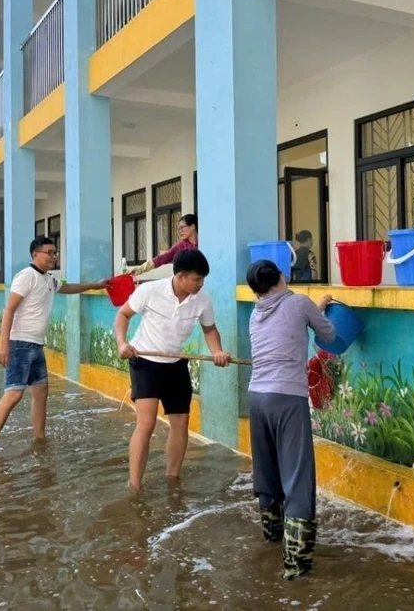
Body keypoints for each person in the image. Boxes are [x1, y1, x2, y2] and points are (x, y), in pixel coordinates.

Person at [245, 259, 336, 580]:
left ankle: (271, 541)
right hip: (287, 399)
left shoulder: (256, 313)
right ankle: (296, 570)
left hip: (257, 397)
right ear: (281, 276)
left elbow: (284, 315)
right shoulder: (298, 302)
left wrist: (310, 306)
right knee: (298, 478)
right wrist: (317, 309)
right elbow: (328, 334)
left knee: (267, 471)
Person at [114, 248, 231, 492]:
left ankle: (172, 480)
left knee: (181, 421)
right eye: (197, 279)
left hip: (176, 362)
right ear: (180, 277)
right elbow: (123, 315)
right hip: (145, 360)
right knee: (146, 423)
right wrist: (122, 343)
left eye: (202, 279)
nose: (201, 284)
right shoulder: (150, 291)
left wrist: (217, 351)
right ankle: (135, 485)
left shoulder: (202, 299)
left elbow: (209, 329)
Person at [0, 237, 108, 454]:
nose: (54, 256)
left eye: (55, 252)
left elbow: (68, 288)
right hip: (19, 344)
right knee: (13, 394)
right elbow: (9, 310)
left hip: (36, 345)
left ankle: (39, 439)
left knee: (41, 391)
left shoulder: (48, 280)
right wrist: (3, 345)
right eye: (49, 252)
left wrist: (95, 285)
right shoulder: (26, 277)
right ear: (35, 255)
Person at [127, 213, 198, 275]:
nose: (180, 231)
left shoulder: (206, 242)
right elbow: (161, 258)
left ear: (192, 226)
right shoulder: (180, 246)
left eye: (182, 227)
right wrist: (140, 269)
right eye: (179, 229)